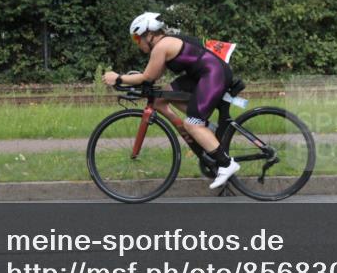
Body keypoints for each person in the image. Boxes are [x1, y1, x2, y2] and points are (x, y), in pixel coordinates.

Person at [102, 11, 240, 189]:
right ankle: (206, 129)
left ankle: (226, 163)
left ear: (149, 35)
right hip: (204, 73)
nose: (137, 44)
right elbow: (152, 77)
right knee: (162, 99)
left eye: (137, 39)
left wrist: (118, 78)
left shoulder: (161, 47)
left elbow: (147, 77)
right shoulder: (165, 43)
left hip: (213, 75)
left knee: (192, 124)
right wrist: (136, 80)